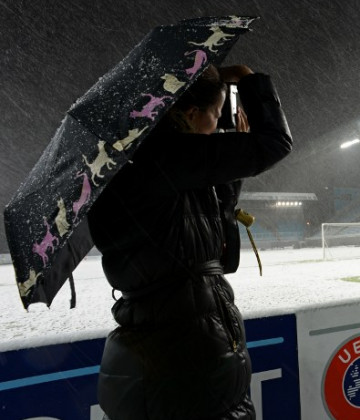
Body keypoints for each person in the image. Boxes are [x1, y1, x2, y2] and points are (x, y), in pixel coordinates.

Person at [87, 64, 292, 420]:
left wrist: (230, 173)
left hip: (161, 359)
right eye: (215, 114)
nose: (218, 126)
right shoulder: (163, 157)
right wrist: (248, 82)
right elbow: (275, 142)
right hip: (185, 366)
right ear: (191, 114)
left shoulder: (138, 167)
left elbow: (217, 259)